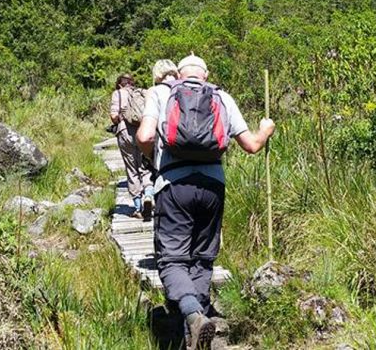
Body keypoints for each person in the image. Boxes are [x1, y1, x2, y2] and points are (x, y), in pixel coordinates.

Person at [137, 55, 275, 349]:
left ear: (178, 74)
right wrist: (266, 129)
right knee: (202, 258)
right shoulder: (222, 97)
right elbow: (251, 145)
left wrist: (154, 160)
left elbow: (145, 135)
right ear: (205, 74)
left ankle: (192, 314)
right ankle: (196, 333)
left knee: (172, 259)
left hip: (173, 184)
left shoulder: (161, 92)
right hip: (213, 185)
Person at [109, 74, 154, 218]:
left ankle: (138, 206)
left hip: (125, 133)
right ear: (131, 83)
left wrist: (119, 119)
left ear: (120, 84)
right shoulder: (142, 92)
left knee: (132, 168)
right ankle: (148, 194)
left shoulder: (118, 93)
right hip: (143, 131)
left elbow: (114, 115)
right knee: (145, 166)